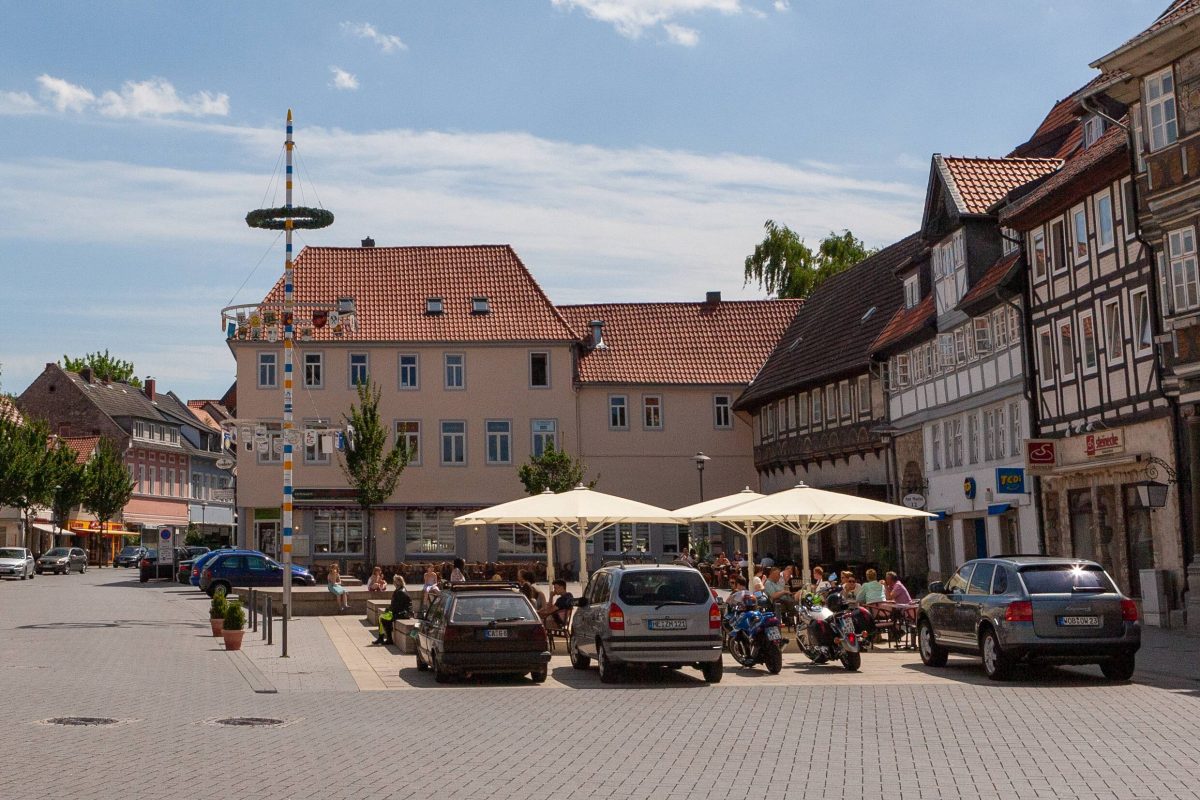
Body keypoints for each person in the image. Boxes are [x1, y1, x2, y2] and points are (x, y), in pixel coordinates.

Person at [372, 574, 413, 645]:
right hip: (401, 612)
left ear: (398, 583)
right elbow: (396, 605)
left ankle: (388, 639)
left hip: (403, 614)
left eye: (394, 581)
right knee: (381, 617)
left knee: (383, 619)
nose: (393, 583)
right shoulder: (401, 590)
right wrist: (388, 610)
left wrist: (388, 610)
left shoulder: (400, 592)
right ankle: (381, 638)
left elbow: (396, 606)